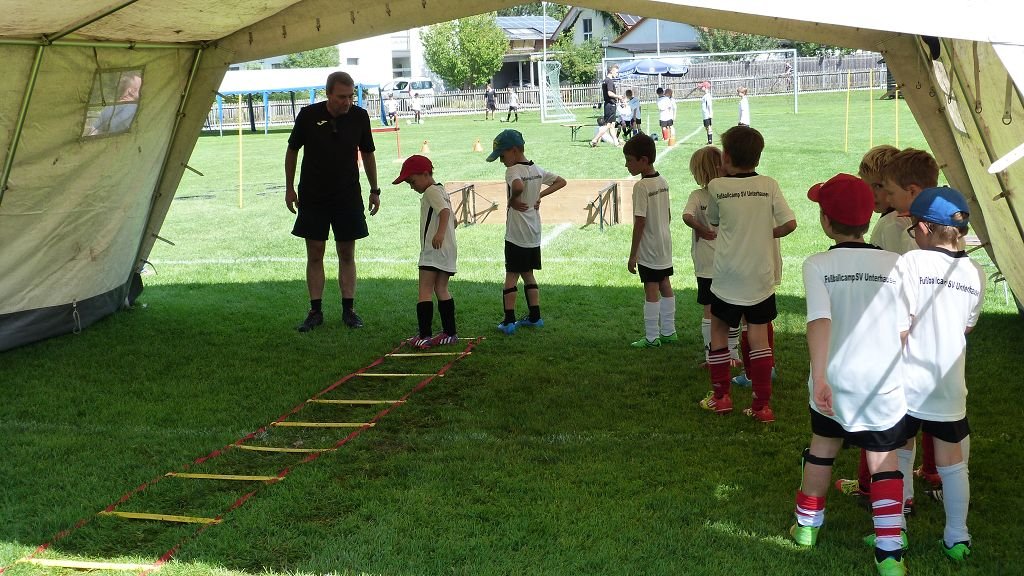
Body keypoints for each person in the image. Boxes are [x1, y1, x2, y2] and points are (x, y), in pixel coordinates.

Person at [790, 173, 910, 576]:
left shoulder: (817, 264)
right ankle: (890, 552)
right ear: (868, 216)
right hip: (882, 383)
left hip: (834, 381)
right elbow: (904, 329)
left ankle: (807, 528)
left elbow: (818, 321)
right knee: (884, 460)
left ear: (826, 221)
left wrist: (821, 377)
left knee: (823, 449)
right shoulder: (895, 263)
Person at [895, 186, 985, 562]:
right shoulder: (975, 272)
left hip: (906, 383)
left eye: (913, 227)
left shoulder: (911, 263)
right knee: (954, 464)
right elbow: (967, 327)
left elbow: (899, 327)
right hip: (949, 384)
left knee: (898, 452)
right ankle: (957, 537)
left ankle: (895, 529)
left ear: (925, 228)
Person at [698, 125, 796, 423]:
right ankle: (762, 405)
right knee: (759, 337)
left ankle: (721, 397)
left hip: (727, 276)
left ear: (726, 157)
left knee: (718, 330)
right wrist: (767, 233)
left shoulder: (717, 186)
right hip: (760, 276)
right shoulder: (769, 184)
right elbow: (790, 224)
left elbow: (714, 220)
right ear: (758, 157)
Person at [285, 71, 380, 332]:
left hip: (347, 195)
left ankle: (349, 310)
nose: (347, 102)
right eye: (341, 97)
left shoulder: (360, 116)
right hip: (313, 195)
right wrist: (289, 188)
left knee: (346, 252)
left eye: (350, 96)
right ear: (328, 94)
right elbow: (292, 150)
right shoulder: (308, 115)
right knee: (315, 252)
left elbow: (368, 153)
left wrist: (375, 189)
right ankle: (315, 311)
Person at [486, 129, 567, 334]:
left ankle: (509, 321)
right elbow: (561, 181)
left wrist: (512, 200)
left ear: (514, 150)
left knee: (511, 276)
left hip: (516, 234)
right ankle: (535, 317)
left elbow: (518, 186)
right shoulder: (537, 169)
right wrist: (540, 195)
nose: (501, 161)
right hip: (533, 232)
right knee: (528, 274)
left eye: (502, 155)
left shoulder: (513, 171)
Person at [392, 155, 459, 349]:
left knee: (425, 290)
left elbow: (444, 213)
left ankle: (424, 335)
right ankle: (449, 333)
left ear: (425, 174)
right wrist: (445, 231)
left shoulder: (431, 191)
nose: (411, 187)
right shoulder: (441, 190)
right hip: (447, 251)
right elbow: (453, 219)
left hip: (433, 250)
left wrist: (439, 234)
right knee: (441, 289)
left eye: (412, 181)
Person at [683, 146, 741, 365]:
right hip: (730, 261)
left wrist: (700, 228)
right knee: (733, 307)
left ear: (700, 173)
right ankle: (733, 354)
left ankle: (712, 357)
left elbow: (687, 216)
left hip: (707, 266)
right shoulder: (730, 194)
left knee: (709, 310)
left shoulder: (697, 196)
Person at [624, 134, 677, 348]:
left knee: (651, 287)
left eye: (629, 160)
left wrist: (633, 255)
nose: (626, 164)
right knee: (665, 283)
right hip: (664, 244)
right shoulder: (662, 181)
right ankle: (669, 332)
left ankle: (652, 337)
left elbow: (640, 222)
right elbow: (668, 215)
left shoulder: (641, 187)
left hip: (649, 247)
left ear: (644, 160)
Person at [85, 71, 142, 136]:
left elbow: (93, 131)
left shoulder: (108, 108)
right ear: (131, 91)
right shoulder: (135, 108)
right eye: (140, 89)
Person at [590, 65, 620, 147]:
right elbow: (609, 93)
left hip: (608, 104)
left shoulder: (605, 81)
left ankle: (616, 143)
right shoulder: (609, 81)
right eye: (616, 72)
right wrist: (618, 96)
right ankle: (594, 140)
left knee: (612, 125)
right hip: (610, 105)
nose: (617, 74)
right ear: (611, 71)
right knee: (607, 125)